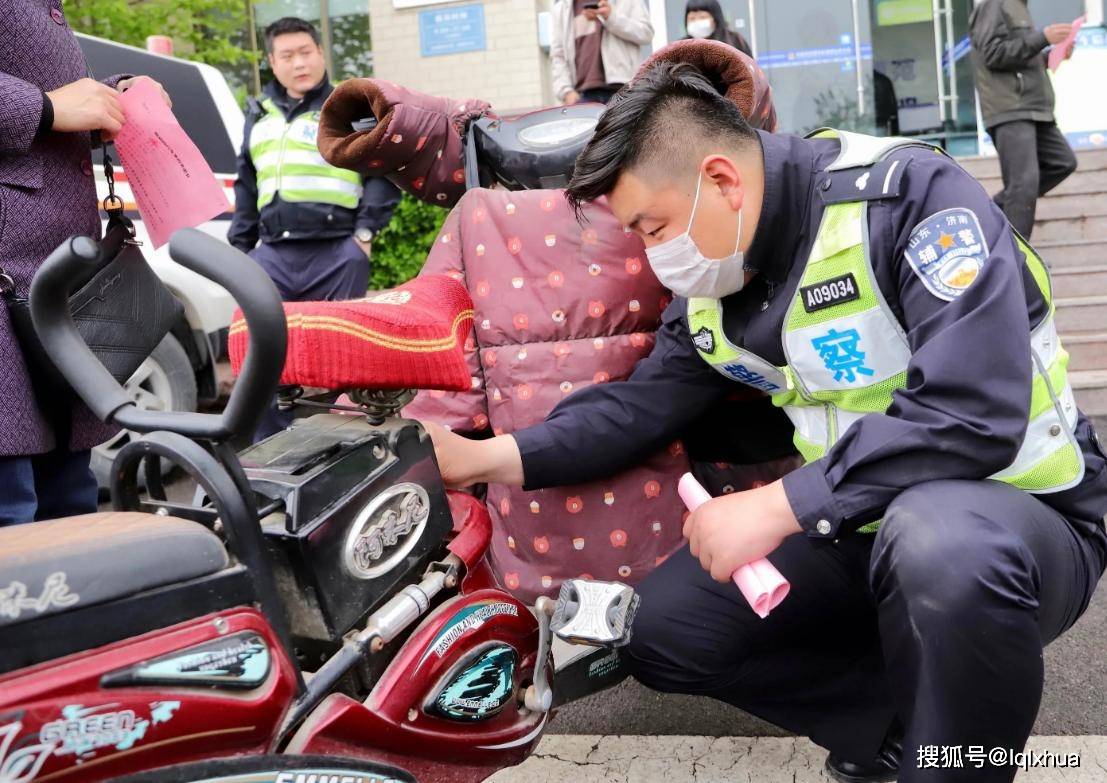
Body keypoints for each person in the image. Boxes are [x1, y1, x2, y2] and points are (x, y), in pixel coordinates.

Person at [424, 62, 1107, 783]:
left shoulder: (904, 197)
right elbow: (635, 409)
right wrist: (481, 458)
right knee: (662, 627)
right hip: (860, 526)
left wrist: (782, 504)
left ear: (722, 181)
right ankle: (902, 738)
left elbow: (973, 409)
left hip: (1022, 521)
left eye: (653, 227)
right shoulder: (715, 290)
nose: (653, 254)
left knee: (938, 542)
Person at [0, 2, 171, 525]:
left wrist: (113, 97)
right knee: (15, 513)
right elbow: (49, 103)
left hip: (51, 283)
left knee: (69, 504)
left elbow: (53, 88)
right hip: (12, 275)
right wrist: (46, 108)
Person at [228, 16, 401, 440]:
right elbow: (247, 184)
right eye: (287, 55)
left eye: (306, 52)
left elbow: (382, 172)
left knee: (340, 358)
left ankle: (340, 450)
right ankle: (269, 454)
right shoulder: (259, 114)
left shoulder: (349, 109)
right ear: (272, 61)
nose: (299, 63)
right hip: (272, 255)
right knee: (266, 359)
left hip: (338, 252)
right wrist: (240, 252)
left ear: (322, 54)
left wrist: (363, 237)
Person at [969, 0, 1077, 239]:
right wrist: (1042, 38)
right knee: (1023, 185)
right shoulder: (994, 5)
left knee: (1063, 162)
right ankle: (1017, 259)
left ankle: (987, 214)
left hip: (1035, 108)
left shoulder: (1018, 6)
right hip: (1010, 108)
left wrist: (1051, 55)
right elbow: (992, 54)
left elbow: (1018, 55)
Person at [550, 0, 654, 106]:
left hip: (624, 90)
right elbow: (558, 55)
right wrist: (566, 92)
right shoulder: (561, 9)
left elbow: (646, 33)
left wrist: (610, 17)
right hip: (582, 96)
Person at [683, 0, 752, 58]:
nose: (697, 22)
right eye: (692, 18)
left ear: (715, 18)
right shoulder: (682, 45)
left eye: (702, 17)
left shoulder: (735, 40)